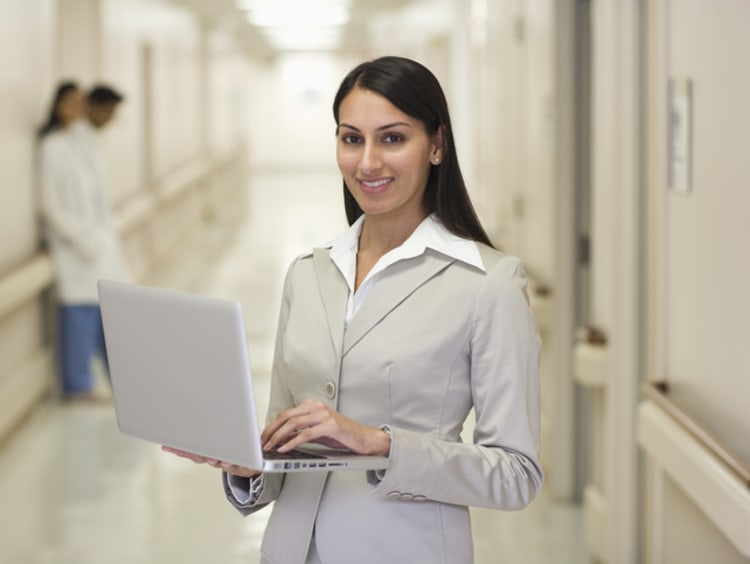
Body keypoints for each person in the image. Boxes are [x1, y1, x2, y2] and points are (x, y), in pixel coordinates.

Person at [165, 56, 543, 563]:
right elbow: (286, 442)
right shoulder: (308, 271)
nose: (367, 163)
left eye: (392, 138)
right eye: (351, 138)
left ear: (436, 145)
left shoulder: (488, 283)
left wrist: (379, 444)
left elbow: (515, 475)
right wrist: (248, 464)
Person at [37, 81, 130, 401]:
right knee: (79, 318)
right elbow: (50, 205)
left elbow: (96, 198)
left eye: (82, 103)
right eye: (73, 103)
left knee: (107, 317)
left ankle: (119, 384)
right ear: (58, 106)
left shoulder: (83, 143)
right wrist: (81, 238)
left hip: (97, 245)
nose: (80, 109)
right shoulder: (52, 145)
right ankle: (77, 387)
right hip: (75, 248)